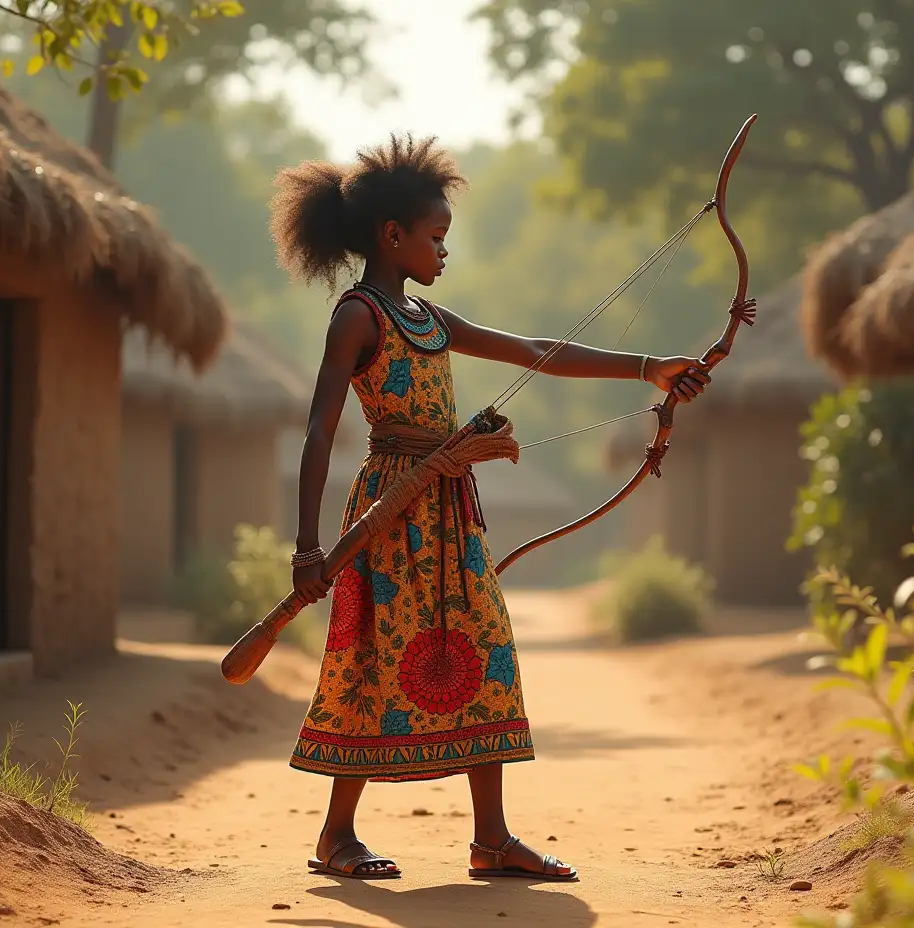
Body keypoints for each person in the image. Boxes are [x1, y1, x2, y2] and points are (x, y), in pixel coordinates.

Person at [272, 134, 710, 882]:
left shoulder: (434, 322)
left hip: (450, 509)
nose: (444, 253)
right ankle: (335, 834)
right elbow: (320, 429)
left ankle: (492, 840)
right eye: (436, 238)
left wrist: (649, 367)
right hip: (388, 514)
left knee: (483, 649)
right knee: (374, 657)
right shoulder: (357, 317)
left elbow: (538, 348)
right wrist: (309, 546)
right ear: (393, 236)